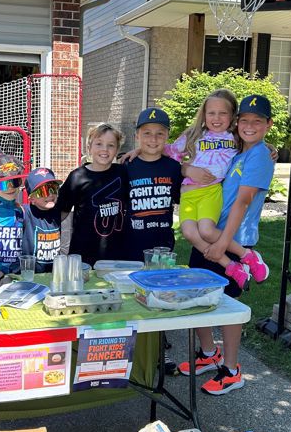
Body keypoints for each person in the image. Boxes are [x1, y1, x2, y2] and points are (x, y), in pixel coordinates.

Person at [179, 94, 277, 396]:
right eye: (244, 121)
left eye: (257, 122)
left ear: (268, 125)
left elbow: (243, 202)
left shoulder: (259, 156)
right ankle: (209, 354)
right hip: (211, 233)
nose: (249, 126)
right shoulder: (234, 150)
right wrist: (185, 170)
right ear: (236, 123)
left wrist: (222, 244)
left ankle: (232, 370)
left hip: (232, 239)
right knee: (197, 296)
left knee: (229, 306)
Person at [164, 89, 269, 289]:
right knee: (189, 233)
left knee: (206, 230)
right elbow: (168, 150)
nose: (216, 118)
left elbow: (253, 142)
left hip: (210, 192)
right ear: (203, 115)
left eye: (223, 113)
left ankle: (247, 256)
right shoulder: (194, 135)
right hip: (188, 195)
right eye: (211, 113)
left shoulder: (234, 139)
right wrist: (140, 149)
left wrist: (269, 147)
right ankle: (231, 267)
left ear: (232, 118)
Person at [55, 123, 128, 266]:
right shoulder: (77, 177)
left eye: (111, 145)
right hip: (83, 254)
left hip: (117, 254)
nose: (104, 150)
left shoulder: (124, 172)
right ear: (89, 147)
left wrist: (137, 151)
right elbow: (61, 211)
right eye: (99, 144)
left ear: (117, 149)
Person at [0, 166, 67, 272]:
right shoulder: (23, 211)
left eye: (53, 188)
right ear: (31, 198)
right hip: (27, 273)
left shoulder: (58, 212)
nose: (50, 194)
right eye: (43, 191)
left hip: (53, 274)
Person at [124, 108, 182, 261]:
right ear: (137, 135)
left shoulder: (174, 167)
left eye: (160, 133)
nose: (153, 139)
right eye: (147, 133)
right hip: (130, 245)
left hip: (163, 246)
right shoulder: (126, 166)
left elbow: (181, 198)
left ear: (167, 136)